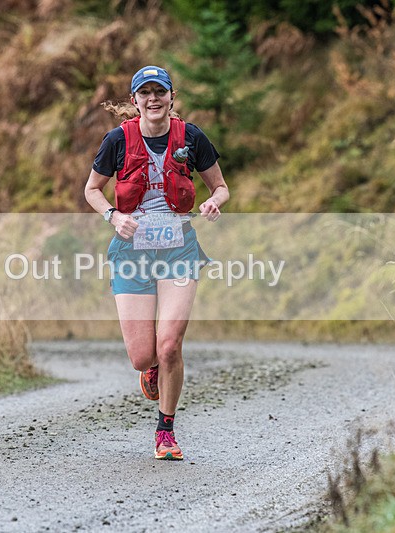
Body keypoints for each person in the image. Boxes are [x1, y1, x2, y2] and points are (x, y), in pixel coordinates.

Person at [84, 66, 229, 460]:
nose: (153, 99)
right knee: (143, 356)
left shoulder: (191, 137)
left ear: (171, 97)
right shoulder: (117, 140)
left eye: (159, 92)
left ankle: (166, 430)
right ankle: (152, 370)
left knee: (170, 345)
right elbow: (92, 190)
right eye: (145, 93)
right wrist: (114, 216)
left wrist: (214, 200)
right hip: (132, 253)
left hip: (179, 248)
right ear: (134, 101)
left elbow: (220, 184)